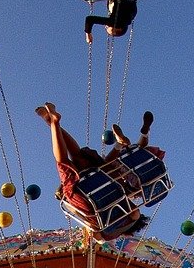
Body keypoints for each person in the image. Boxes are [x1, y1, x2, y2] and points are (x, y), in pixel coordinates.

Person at [37, 102, 149, 240]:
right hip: (85, 196)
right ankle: (54, 122)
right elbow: (91, 227)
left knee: (77, 154)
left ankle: (52, 123)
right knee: (63, 162)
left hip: (101, 181)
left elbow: (129, 204)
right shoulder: (106, 235)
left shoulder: (133, 215)